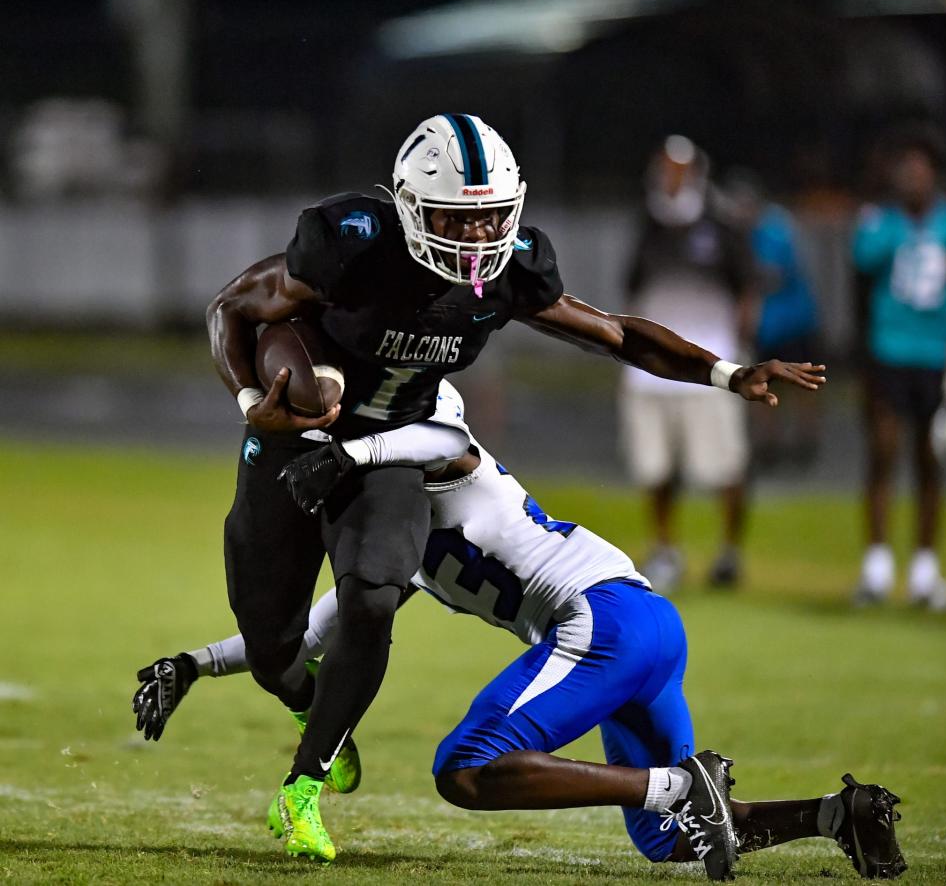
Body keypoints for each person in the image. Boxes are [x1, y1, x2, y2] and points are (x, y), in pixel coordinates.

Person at [204, 113, 826, 860]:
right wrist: (253, 404)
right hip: (302, 434)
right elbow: (232, 310)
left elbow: (616, 333)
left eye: (490, 219)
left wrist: (724, 372)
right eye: (455, 220)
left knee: (393, 632)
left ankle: (307, 782)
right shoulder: (349, 243)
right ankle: (308, 702)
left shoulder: (498, 296)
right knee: (277, 651)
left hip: (417, 468)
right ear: (406, 206)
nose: (475, 240)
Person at [133, 386, 904, 881]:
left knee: (466, 769)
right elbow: (307, 639)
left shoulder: (448, 458)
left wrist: (350, 452)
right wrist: (193, 664)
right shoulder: (392, 543)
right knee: (665, 839)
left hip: (600, 620)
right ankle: (836, 816)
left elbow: (440, 444)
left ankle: (678, 783)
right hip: (644, 629)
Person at [619, 136, 757, 590]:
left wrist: (739, 349)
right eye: (664, 168)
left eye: (678, 169)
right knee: (656, 467)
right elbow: (633, 287)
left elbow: (747, 288)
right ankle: (664, 549)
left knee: (724, 465)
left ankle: (729, 552)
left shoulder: (720, 225)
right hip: (651, 371)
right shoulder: (647, 223)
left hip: (709, 364)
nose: (670, 178)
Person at [851, 124, 946, 611]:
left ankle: (924, 569)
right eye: (905, 170)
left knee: (930, 458)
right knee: (882, 451)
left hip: (935, 354)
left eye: (920, 170)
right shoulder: (880, 224)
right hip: (888, 350)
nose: (912, 178)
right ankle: (876, 566)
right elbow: (859, 279)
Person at [723, 168, 820, 468]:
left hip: (793, 321)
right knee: (762, 382)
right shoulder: (741, 234)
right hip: (767, 326)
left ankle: (806, 440)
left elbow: (768, 276)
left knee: (803, 382)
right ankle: (768, 442)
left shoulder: (775, 229)